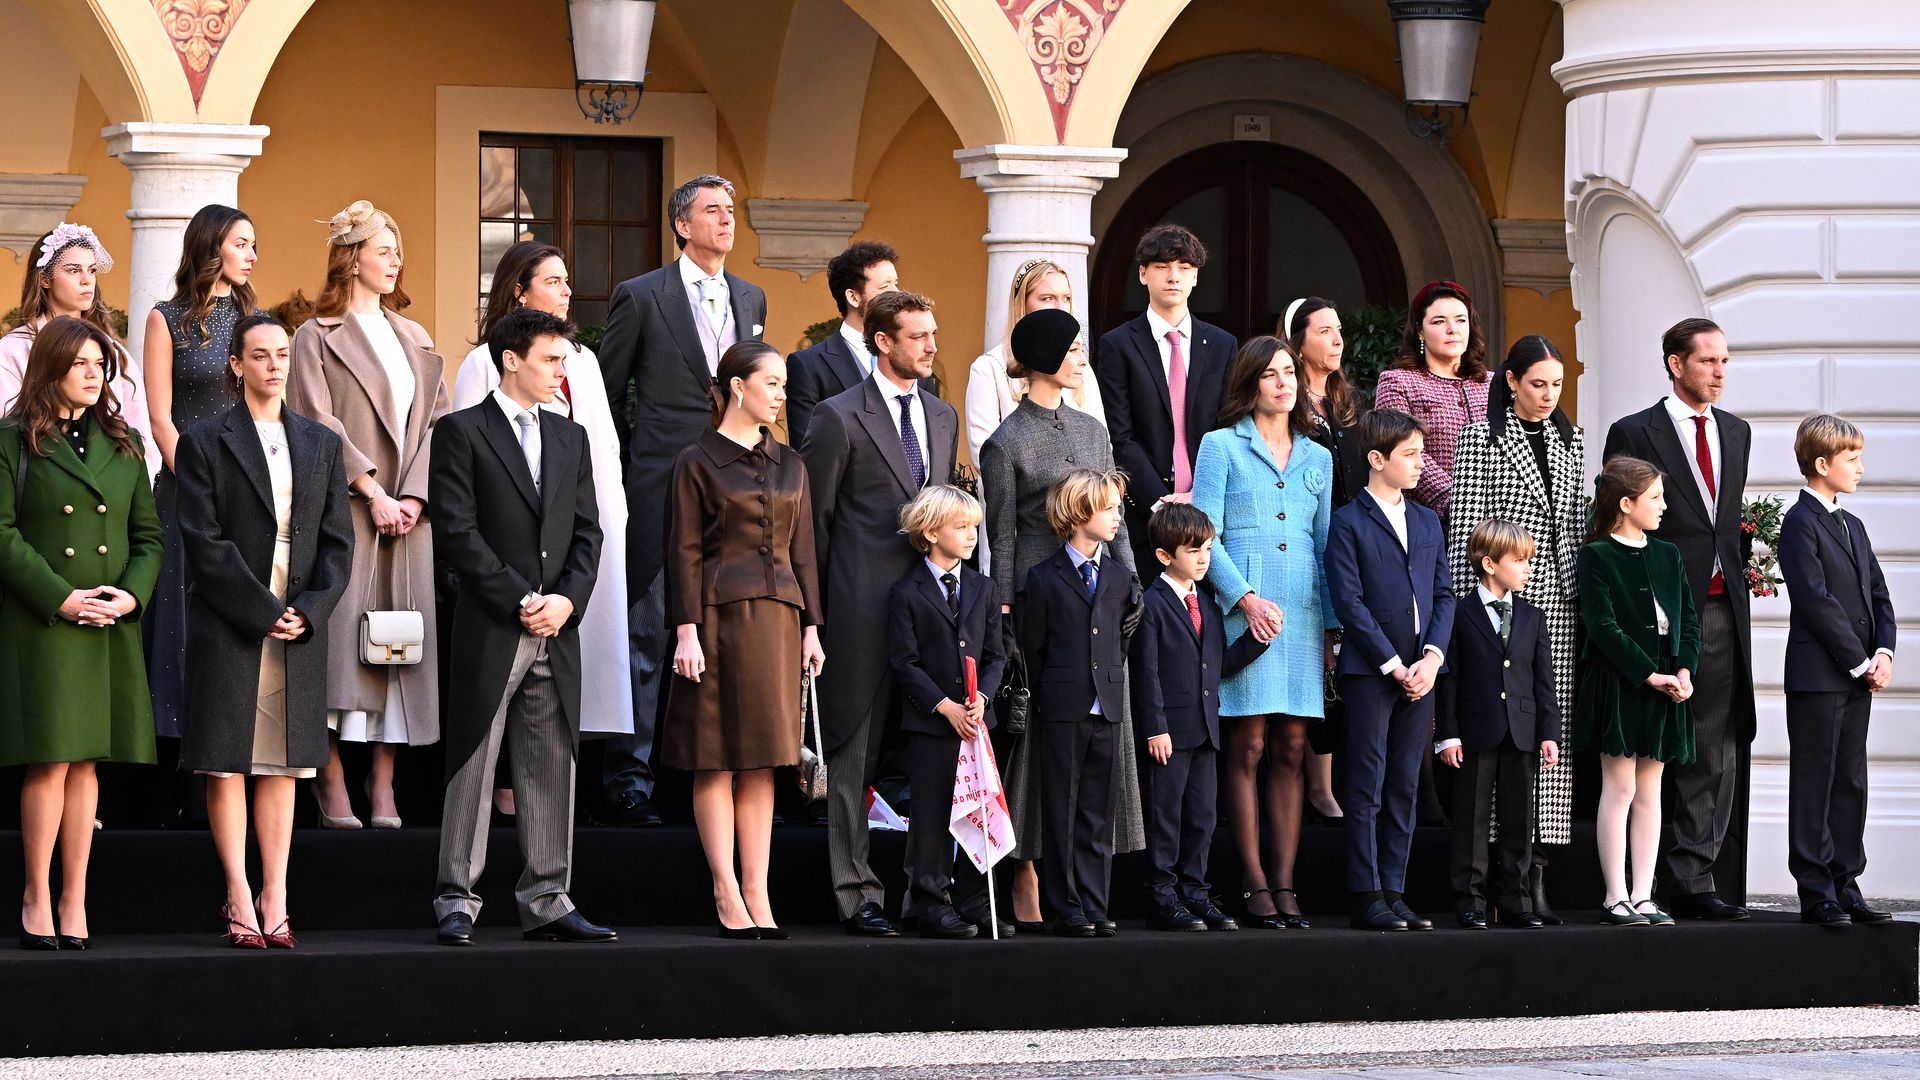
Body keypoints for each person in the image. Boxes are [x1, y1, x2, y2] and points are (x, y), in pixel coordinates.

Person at [429, 307, 610, 946]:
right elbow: (455, 530)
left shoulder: (572, 437)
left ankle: (548, 899)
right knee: (473, 761)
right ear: (512, 360)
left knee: (552, 764)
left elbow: (589, 533)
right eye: (552, 359)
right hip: (491, 623)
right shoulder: (461, 432)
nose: (562, 372)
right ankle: (456, 899)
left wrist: (566, 602)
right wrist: (518, 598)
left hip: (557, 629)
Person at [174, 313, 353, 949]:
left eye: (282, 353)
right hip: (233, 616)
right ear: (236, 364)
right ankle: (237, 892)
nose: (275, 364)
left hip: (299, 616)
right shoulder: (203, 441)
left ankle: (275, 890)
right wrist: (258, 608)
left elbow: (339, 542)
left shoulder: (320, 441)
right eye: (260, 355)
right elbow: (202, 539)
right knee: (227, 763)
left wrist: (312, 607)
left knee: (282, 765)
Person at [599, 175, 768, 829]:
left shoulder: (751, 297)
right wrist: (621, 475)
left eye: (730, 211)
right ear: (681, 225)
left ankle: (702, 774)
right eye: (711, 211)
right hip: (658, 485)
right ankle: (630, 779)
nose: (726, 220)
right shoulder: (641, 297)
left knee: (725, 634)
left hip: (733, 486)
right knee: (648, 631)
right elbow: (607, 398)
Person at [978, 308, 1146, 929]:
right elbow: (998, 538)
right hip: (1040, 613)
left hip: (1100, 606)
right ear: (1046, 356)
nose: (1082, 360)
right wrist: (1005, 624)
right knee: (1040, 756)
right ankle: (1029, 870)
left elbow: (1116, 518)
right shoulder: (1006, 442)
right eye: (1074, 350)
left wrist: (1131, 587)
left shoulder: (1093, 432)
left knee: (1098, 755)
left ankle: (1090, 892)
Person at [0, 316, 164, 950]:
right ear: (51, 368)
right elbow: (2, 535)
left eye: (101, 365)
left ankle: (75, 896)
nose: (96, 376)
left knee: (87, 764)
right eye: (82, 365)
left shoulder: (123, 447)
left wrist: (130, 594)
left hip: (107, 620)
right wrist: (60, 598)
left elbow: (148, 537)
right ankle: (35, 894)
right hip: (45, 620)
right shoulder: (12, 442)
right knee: (51, 761)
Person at [288, 200, 448, 831]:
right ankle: (331, 782)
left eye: (398, 251)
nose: (395, 261)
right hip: (346, 512)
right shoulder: (314, 335)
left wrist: (412, 496)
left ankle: (383, 785)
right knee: (336, 648)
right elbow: (314, 416)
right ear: (352, 258)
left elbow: (439, 423)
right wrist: (372, 489)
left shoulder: (416, 338)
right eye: (384, 250)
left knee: (398, 644)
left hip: (408, 518)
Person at [801, 289, 957, 937]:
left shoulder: (944, 418)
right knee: (852, 759)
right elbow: (812, 526)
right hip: (859, 614)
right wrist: (814, 618)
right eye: (917, 336)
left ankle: (928, 893)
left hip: (932, 618)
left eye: (932, 333)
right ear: (882, 340)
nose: (930, 345)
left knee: (931, 759)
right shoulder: (837, 418)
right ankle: (856, 893)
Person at [661, 340, 824, 939]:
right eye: (773, 383)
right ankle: (725, 890)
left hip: (780, 620)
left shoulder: (792, 464)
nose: (783, 395)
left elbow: (804, 550)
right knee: (717, 754)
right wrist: (685, 630)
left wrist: (811, 627)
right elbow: (681, 549)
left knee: (764, 757)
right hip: (716, 620)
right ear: (737, 387)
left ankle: (757, 889)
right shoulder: (695, 461)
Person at [1601, 317, 1754, 920]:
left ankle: (1696, 877)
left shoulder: (1737, 433)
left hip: (1719, 609)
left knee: (1715, 743)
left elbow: (1725, 524)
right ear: (1675, 364)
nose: (1719, 372)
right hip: (1651, 613)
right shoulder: (1633, 430)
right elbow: (1617, 524)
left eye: (1724, 361)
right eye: (1707, 361)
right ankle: (1639, 885)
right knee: (1649, 748)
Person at [454, 243, 632, 748]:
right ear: (519, 289)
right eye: (553, 281)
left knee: (580, 659)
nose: (567, 291)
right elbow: (470, 464)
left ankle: (574, 764)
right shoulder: (483, 362)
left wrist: (609, 519)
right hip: (511, 550)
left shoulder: (586, 362)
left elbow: (603, 446)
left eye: (567, 281)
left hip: (578, 534)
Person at [1190, 336, 1336, 930]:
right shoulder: (1220, 446)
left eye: (1289, 374)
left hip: (1301, 614)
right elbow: (1203, 533)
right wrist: (1244, 600)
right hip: (1242, 612)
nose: (1283, 383)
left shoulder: (1318, 455)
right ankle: (1251, 880)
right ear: (1249, 383)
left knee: (1292, 748)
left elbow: (1325, 546)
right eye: (1270, 374)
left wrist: (1331, 628)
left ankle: (1285, 880)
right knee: (1247, 746)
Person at [1444, 336, 1586, 924]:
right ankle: (1488, 883)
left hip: (1555, 605)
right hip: (1498, 599)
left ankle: (1531, 876)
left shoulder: (1569, 439)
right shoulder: (1482, 438)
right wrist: (1460, 613)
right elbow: (1465, 528)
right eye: (1537, 384)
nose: (1548, 395)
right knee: (1494, 740)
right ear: (1510, 381)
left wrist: (1577, 602)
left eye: (1556, 384)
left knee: (1545, 745)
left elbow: (1577, 523)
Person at [1326, 408, 1455, 932]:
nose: (1421, 464)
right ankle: (1366, 892)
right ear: (1377, 460)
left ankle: (1395, 891)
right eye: (1411, 455)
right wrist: (1393, 663)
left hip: (1420, 672)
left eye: (1422, 453)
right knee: (1366, 781)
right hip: (1371, 673)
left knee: (1404, 782)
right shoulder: (1347, 521)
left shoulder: (1427, 520)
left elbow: (1444, 593)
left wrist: (1432, 658)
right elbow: (1348, 600)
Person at [143, 204, 260, 776]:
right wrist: (193, 479)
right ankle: (173, 761)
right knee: (179, 609)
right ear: (213, 247)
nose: (252, 255)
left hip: (244, 483)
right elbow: (160, 414)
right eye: (243, 244)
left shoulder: (251, 320)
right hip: (186, 484)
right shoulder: (166, 318)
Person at [1778, 414, 1897, 927]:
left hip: (1859, 674)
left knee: (1850, 779)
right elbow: (1815, 600)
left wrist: (1885, 653)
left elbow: (1879, 594)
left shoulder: (1854, 525)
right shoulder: (1799, 522)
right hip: (1819, 675)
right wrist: (1858, 660)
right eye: (1852, 460)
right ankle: (1815, 889)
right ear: (1822, 464)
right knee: (1816, 779)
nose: (1861, 468)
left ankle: (1847, 883)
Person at [1129, 502, 1266, 933]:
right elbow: (1145, 672)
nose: (1204, 558)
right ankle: (1163, 896)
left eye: (1207, 548)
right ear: (1165, 555)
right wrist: (1155, 727)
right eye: (1193, 550)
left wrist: (1258, 640)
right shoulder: (1150, 604)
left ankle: (1195, 892)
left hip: (1206, 729)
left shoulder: (1205, 603)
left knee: (1203, 816)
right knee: (1166, 815)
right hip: (1168, 732)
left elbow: (1216, 664)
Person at [1573, 456, 1698, 927]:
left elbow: (1687, 619)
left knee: (1651, 789)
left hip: (1668, 682)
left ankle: (1644, 894)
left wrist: (1684, 669)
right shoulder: (1597, 555)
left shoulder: (1668, 555)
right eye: (1655, 499)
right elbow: (1602, 627)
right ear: (1626, 504)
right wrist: (1649, 674)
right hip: (1623, 682)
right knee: (1620, 786)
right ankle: (1615, 895)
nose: (1664, 507)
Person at [887, 484, 1009, 939]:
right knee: (934, 812)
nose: (972, 536)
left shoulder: (982, 586)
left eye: (974, 527)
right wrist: (945, 707)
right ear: (931, 532)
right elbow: (905, 662)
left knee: (979, 808)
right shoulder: (906, 592)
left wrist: (983, 699)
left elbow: (996, 655)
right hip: (931, 725)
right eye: (961, 528)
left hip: (978, 724)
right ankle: (929, 900)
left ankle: (975, 900)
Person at [1020, 468, 1134, 937]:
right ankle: (1065, 904)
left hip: (1107, 707)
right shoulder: (1043, 578)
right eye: (1108, 508)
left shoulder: (1119, 577)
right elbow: (1034, 648)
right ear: (1080, 513)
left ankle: (1094, 901)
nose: (1116, 516)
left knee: (1096, 811)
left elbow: (1120, 644)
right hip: (1063, 708)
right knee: (1061, 808)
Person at [1434, 519, 1562, 930]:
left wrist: (1549, 733)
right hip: (1474, 732)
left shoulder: (1532, 617)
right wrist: (1447, 734)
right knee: (1471, 819)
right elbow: (1449, 678)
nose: (1528, 569)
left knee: (1519, 819)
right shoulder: (1457, 612)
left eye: (1530, 560)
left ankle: (1516, 901)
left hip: (1522, 732)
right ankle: (1470, 901)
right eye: (1520, 560)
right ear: (1489, 563)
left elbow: (1544, 682)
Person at [1095, 224, 1236, 574]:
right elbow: (1119, 434)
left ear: (1196, 277)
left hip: (1209, 513)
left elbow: (1227, 427)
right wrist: (1160, 504)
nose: (1173, 276)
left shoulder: (1222, 345)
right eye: (1161, 266)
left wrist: (1202, 497)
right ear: (1143, 274)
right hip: (1145, 513)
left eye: (1184, 268)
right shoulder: (1118, 345)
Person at [967, 257, 1106, 576]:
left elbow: (1102, 446)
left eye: (1066, 298)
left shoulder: (1081, 369)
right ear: (1023, 304)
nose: (1060, 306)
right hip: (1026, 535)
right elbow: (985, 457)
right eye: (1047, 298)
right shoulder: (988, 369)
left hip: (1088, 537)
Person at [1281, 297, 1357, 827]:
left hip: (1351, 544)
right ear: (1298, 339)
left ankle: (1329, 781)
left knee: (1340, 664)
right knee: (1314, 663)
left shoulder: (1349, 405)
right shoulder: (1287, 401)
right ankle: (1313, 786)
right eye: (1324, 331)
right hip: (1307, 544)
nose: (1336, 340)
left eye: (1339, 331)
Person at [0, 225, 152, 465]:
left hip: (107, 485)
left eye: (92, 270)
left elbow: (139, 432)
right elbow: (6, 434)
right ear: (45, 279)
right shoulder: (12, 351)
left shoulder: (112, 351)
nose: (86, 280)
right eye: (73, 270)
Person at [1371, 280, 1490, 522]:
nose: (1452, 329)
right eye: (1439, 321)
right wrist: (1457, 501)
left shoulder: (1492, 383)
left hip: (1494, 525)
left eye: (1460, 320)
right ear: (1420, 330)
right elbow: (1402, 448)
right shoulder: (1397, 382)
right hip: (1425, 519)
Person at [786, 241, 899, 448]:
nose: (897, 294)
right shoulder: (808, 366)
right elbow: (808, 449)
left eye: (896, 283)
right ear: (853, 297)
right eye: (885, 286)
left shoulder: (910, 357)